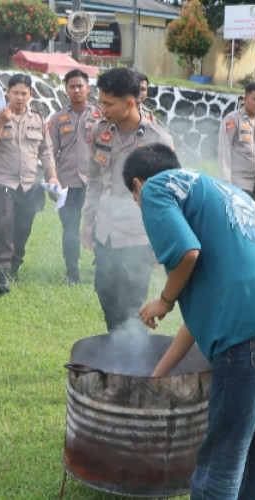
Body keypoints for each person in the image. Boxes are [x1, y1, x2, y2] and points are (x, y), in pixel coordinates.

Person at [123, 142, 255, 499]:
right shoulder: (214, 190)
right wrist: (157, 374)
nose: (143, 208)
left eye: (136, 202)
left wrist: (163, 301)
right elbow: (198, 319)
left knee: (220, 460)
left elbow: (186, 252)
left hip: (253, 323)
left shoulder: (154, 189)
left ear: (137, 184)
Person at [80, 68, 173, 333]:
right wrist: (88, 222)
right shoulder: (100, 132)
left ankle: (132, 359)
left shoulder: (158, 139)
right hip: (106, 231)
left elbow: (168, 199)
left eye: (109, 103)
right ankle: (120, 349)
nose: (102, 109)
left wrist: (162, 243)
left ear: (129, 102)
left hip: (138, 236)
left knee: (131, 304)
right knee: (105, 293)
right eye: (101, 102)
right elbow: (95, 180)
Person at [0, 73, 60, 294]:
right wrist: (0, 122)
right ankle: (2, 274)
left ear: (30, 95)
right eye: (15, 92)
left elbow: (46, 151)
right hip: (3, 182)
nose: (19, 97)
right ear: (7, 93)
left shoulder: (38, 120)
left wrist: (52, 176)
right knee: (3, 228)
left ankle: (14, 267)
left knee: (23, 229)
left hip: (29, 184)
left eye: (24, 93)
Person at [47, 69, 102, 285]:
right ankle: (72, 272)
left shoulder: (101, 116)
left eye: (81, 86)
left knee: (100, 225)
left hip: (95, 183)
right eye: (72, 86)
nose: (77, 90)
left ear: (88, 88)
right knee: (70, 229)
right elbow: (48, 152)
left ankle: (102, 268)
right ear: (66, 89)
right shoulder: (58, 119)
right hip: (67, 183)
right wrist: (53, 179)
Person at [218, 82, 255, 207]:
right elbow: (224, 152)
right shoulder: (232, 120)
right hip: (238, 185)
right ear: (245, 99)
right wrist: (227, 184)